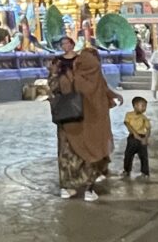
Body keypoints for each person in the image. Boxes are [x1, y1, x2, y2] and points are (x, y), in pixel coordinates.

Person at [48, 35, 123, 201]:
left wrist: (54, 75)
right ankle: (88, 189)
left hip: (68, 120)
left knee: (67, 156)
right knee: (89, 156)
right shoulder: (94, 79)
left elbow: (54, 88)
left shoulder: (68, 76)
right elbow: (104, 91)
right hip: (89, 125)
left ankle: (67, 187)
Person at [122, 95, 151, 179]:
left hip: (142, 137)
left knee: (144, 156)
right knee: (128, 155)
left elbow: (148, 129)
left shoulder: (144, 118)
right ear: (135, 106)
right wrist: (134, 133)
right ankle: (127, 170)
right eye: (142, 106)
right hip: (132, 138)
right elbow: (127, 124)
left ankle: (145, 172)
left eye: (145, 106)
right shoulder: (129, 115)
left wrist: (146, 138)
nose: (144, 108)